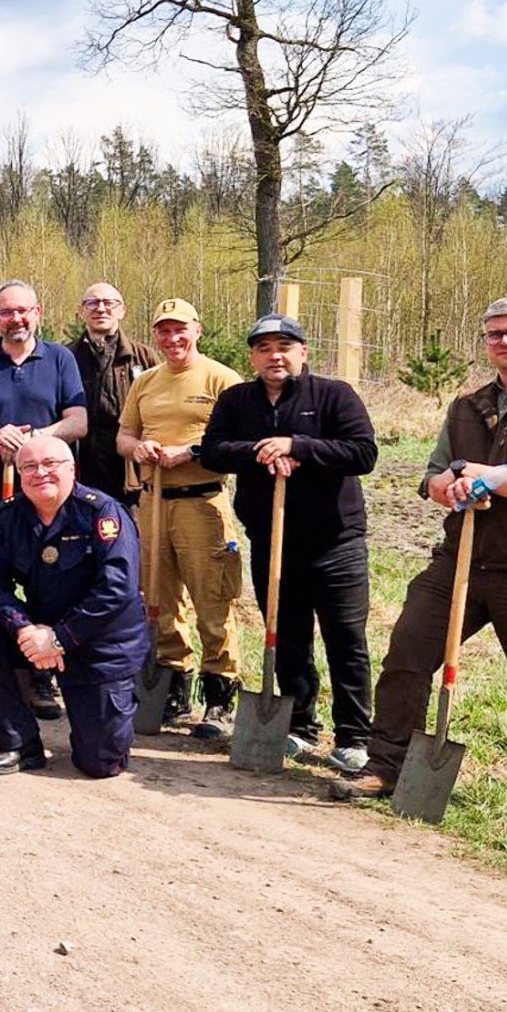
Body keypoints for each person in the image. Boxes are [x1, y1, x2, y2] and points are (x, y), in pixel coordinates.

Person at [336, 296, 507, 813]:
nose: (506, 341)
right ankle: (386, 766)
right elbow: (433, 473)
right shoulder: (467, 406)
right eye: (495, 334)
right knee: (408, 654)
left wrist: (483, 477)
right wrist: (446, 485)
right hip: (461, 557)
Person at [200, 314, 378, 771]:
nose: (274, 356)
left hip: (336, 541)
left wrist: (298, 446)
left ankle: (355, 736)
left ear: (302, 352)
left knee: (346, 638)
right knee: (288, 636)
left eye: (284, 346)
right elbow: (215, 449)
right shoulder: (238, 400)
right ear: (253, 357)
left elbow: (362, 453)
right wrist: (263, 449)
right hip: (274, 541)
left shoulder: (334, 395)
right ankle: (299, 724)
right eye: (263, 348)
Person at [0, 436, 147, 777]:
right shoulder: (10, 515)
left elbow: (117, 590)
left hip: (100, 645)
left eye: (50, 464)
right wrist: (24, 628)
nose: (39, 473)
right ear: (19, 474)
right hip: (40, 634)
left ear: (72, 469)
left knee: (99, 764)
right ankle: (21, 744)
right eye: (29, 467)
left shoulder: (103, 513)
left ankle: (104, 728)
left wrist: (60, 638)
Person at [0, 279, 89, 721]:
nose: (17, 319)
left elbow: (79, 421)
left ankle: (41, 675)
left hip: (48, 494)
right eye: (7, 313)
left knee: (49, 579)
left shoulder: (61, 359)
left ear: (38, 312)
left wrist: (35, 441)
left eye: (24, 311)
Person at [116, 298, 244, 738]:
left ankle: (220, 695)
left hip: (201, 503)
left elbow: (239, 442)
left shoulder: (222, 379)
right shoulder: (146, 382)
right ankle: (171, 687)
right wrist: (138, 449)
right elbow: (124, 435)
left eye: (180, 330)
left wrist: (190, 452)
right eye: (163, 331)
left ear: (198, 330)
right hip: (152, 503)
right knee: (158, 599)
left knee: (212, 599)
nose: (172, 339)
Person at [70, 282, 158, 504]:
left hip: (131, 470)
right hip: (82, 464)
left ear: (122, 311)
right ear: (82, 311)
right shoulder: (66, 357)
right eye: (92, 303)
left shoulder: (143, 358)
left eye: (109, 303)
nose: (101, 308)